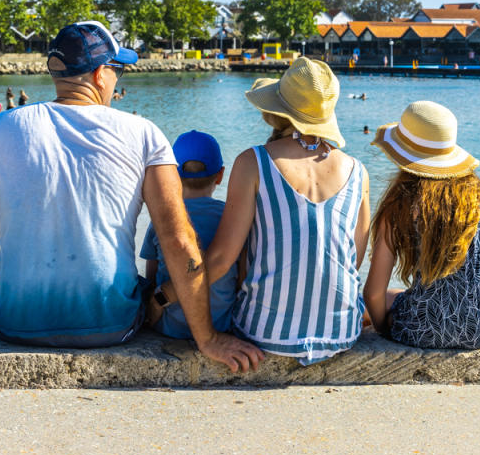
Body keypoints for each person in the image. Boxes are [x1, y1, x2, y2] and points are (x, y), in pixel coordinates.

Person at [0, 21, 261, 373]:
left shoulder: (0, 127)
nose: (118, 80)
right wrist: (207, 339)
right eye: (119, 70)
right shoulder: (145, 134)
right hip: (114, 326)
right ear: (102, 74)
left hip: (15, 324)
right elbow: (179, 240)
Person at [158, 58, 369, 365]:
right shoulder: (358, 171)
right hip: (340, 333)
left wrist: (162, 297)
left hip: (266, 334)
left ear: (277, 112)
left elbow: (219, 261)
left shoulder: (254, 162)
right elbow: (353, 259)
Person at [364, 101, 480, 349]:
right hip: (479, 335)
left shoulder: (400, 204)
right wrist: (479, 322)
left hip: (419, 329)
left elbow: (373, 294)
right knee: (399, 296)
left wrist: (384, 330)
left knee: (370, 303)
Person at [142, 131, 237, 340]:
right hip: (221, 325)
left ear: (174, 174)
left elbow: (151, 277)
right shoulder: (231, 218)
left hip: (168, 328)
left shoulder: (162, 220)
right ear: (220, 175)